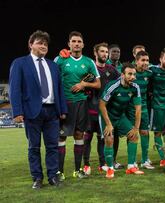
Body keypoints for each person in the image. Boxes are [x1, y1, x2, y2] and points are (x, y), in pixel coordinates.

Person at [9, 30, 67, 189]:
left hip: (52, 112)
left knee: (52, 147)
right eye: (40, 43)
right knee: (34, 147)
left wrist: (62, 109)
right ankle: (37, 178)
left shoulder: (53, 65)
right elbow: (15, 89)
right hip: (31, 111)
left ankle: (53, 176)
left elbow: (59, 89)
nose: (43, 46)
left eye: (45, 44)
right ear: (30, 45)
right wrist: (18, 112)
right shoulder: (20, 63)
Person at [54, 31, 101, 180]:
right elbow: (53, 79)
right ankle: (59, 172)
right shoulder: (60, 59)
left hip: (81, 103)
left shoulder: (88, 62)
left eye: (79, 41)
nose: (76, 44)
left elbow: (98, 83)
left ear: (83, 44)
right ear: (69, 44)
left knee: (79, 135)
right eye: (73, 41)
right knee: (61, 137)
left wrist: (83, 84)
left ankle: (77, 170)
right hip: (64, 103)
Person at [99, 62, 144, 178]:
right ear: (122, 75)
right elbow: (102, 105)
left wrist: (136, 128)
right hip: (107, 116)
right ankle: (110, 169)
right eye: (129, 74)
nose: (132, 77)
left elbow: (138, 109)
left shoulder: (135, 87)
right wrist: (108, 125)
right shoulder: (113, 86)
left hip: (120, 116)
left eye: (134, 74)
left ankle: (131, 167)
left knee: (134, 136)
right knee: (109, 139)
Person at [83, 42, 120, 175]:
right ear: (95, 53)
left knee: (102, 138)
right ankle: (86, 164)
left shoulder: (112, 70)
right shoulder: (90, 69)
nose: (104, 54)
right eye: (102, 51)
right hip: (90, 109)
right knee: (87, 138)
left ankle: (102, 163)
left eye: (106, 52)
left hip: (105, 111)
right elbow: (83, 86)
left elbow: (120, 84)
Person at [128, 50, 155, 169]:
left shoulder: (149, 73)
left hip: (143, 108)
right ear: (136, 61)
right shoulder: (130, 72)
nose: (145, 63)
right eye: (143, 60)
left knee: (144, 132)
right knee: (132, 134)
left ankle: (145, 160)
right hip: (130, 108)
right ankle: (132, 161)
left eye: (147, 60)